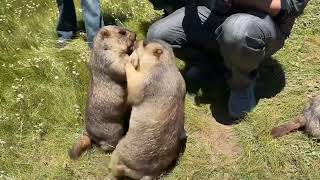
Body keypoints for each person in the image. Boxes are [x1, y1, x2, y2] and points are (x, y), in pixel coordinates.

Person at [147, 0, 309, 119]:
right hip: (216, 11)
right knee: (159, 35)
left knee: (237, 30)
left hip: (260, 22)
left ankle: (241, 83)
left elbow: (289, 7)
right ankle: (210, 64)